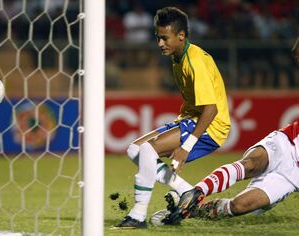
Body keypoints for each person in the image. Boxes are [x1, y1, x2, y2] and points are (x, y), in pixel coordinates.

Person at [114, 6, 231, 229]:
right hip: (191, 119)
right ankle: (185, 190)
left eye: (164, 38)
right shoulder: (178, 56)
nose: (160, 43)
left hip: (211, 125)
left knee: (148, 150)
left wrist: (187, 146)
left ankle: (137, 216)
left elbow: (211, 109)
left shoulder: (195, 61)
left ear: (181, 36)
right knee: (135, 149)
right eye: (158, 38)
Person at [155, 118, 299, 225]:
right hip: (288, 143)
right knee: (251, 164)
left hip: (292, 176)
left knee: (239, 206)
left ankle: (190, 211)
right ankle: (195, 193)